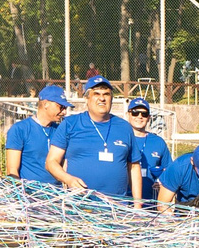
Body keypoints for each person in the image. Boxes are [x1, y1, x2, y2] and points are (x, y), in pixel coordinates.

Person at [48, 73, 142, 208]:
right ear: (87, 99)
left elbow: (134, 167)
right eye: (96, 94)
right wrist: (68, 179)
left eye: (106, 94)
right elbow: (51, 162)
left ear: (112, 98)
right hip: (79, 205)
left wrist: (137, 206)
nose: (102, 98)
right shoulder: (70, 124)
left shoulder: (124, 127)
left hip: (116, 207)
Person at [5, 83, 69, 186]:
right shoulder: (20, 129)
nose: (64, 112)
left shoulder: (60, 130)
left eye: (65, 107)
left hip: (56, 192)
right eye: (60, 107)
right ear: (46, 104)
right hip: (30, 192)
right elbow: (12, 170)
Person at [126, 96, 173, 207]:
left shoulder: (158, 142)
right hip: (122, 201)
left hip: (150, 203)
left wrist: (162, 182)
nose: (140, 116)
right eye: (135, 113)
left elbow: (169, 170)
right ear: (128, 114)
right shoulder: (120, 139)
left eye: (144, 114)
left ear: (149, 117)